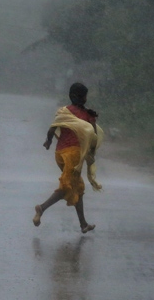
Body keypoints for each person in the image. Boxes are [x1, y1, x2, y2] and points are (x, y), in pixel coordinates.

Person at [33, 82, 104, 233]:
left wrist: (49, 140)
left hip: (60, 154)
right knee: (67, 187)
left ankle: (83, 224)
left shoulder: (64, 111)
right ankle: (42, 208)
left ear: (70, 96)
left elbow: (53, 127)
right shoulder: (88, 115)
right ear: (84, 98)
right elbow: (93, 137)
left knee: (77, 187)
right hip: (73, 155)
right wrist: (91, 154)